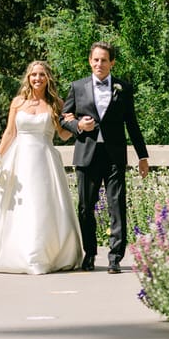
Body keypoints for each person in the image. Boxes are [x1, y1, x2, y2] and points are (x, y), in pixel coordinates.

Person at [0, 61, 85, 274]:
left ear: (48, 78)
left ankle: (44, 254)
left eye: (42, 75)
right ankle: (14, 252)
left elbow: (63, 134)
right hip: (19, 160)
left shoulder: (56, 103)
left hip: (45, 160)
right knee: (14, 206)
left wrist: (78, 124)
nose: (37, 79)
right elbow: (10, 133)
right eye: (34, 75)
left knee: (42, 204)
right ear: (28, 78)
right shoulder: (18, 102)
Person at [61, 42, 149, 273]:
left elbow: (132, 123)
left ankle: (115, 258)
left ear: (112, 63)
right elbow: (63, 118)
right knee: (85, 207)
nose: (99, 64)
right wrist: (78, 125)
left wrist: (143, 156)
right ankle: (89, 254)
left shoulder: (124, 88)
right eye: (96, 60)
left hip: (114, 156)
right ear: (90, 61)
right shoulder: (77, 87)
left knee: (116, 206)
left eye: (104, 60)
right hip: (87, 155)